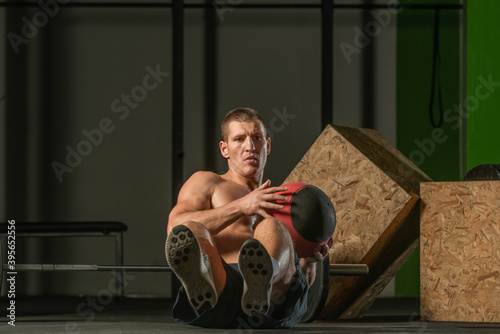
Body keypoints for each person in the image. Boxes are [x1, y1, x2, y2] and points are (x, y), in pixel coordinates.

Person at [165, 107, 331, 329]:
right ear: (224, 149)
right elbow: (175, 227)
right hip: (223, 286)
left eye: (257, 138)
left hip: (272, 298)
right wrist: (242, 206)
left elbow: (300, 284)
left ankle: (263, 279)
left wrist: (310, 261)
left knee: (271, 226)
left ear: (268, 145)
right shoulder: (208, 183)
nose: (250, 147)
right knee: (191, 230)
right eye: (239, 139)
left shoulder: (286, 201)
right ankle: (208, 282)